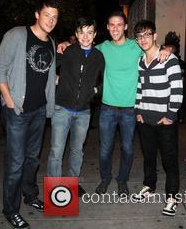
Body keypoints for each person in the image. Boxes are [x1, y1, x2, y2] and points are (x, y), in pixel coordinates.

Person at [57, 11, 171, 197]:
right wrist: (66, 43)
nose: (116, 28)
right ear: (108, 28)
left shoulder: (136, 46)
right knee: (105, 148)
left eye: (119, 24)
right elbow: (83, 45)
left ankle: (122, 181)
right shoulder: (102, 48)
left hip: (130, 109)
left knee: (127, 148)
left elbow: (155, 47)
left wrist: (168, 49)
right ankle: (105, 179)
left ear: (125, 27)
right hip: (107, 108)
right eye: (112, 25)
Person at [0, 0, 60, 229]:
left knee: (32, 159)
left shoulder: (51, 42)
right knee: (15, 163)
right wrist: (9, 100)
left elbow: (47, 75)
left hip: (39, 110)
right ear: (37, 14)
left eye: (54, 17)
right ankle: (10, 210)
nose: (50, 20)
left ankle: (30, 196)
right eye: (47, 15)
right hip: (17, 111)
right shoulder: (17, 35)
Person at [47, 17, 105, 197]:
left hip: (84, 112)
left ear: (94, 35)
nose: (85, 36)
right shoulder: (67, 52)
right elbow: (47, 68)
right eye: (81, 32)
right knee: (56, 151)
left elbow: (108, 80)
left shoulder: (98, 56)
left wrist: (95, 90)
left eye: (89, 32)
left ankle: (71, 185)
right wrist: (55, 80)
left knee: (77, 151)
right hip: (62, 109)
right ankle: (54, 190)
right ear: (76, 34)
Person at [131, 20, 183, 216]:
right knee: (149, 157)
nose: (143, 39)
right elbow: (140, 87)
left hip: (165, 121)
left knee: (169, 160)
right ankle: (149, 188)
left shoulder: (169, 59)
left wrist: (170, 116)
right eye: (139, 36)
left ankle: (172, 197)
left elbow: (177, 89)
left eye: (147, 35)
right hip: (145, 119)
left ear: (155, 36)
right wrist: (138, 110)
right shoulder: (140, 61)